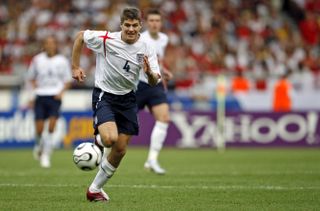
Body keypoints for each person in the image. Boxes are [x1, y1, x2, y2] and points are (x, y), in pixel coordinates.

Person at [71, 7, 161, 202]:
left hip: (128, 99)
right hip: (105, 96)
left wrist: (149, 74)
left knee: (120, 149)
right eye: (127, 25)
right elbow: (80, 37)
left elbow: (155, 81)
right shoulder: (106, 39)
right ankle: (99, 142)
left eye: (134, 25)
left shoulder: (147, 47)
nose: (130, 29)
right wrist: (76, 66)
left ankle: (94, 190)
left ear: (140, 26)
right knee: (110, 139)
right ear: (121, 25)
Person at [136, 8, 173, 175]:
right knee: (123, 125)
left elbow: (158, 60)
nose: (154, 24)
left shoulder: (164, 39)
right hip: (138, 85)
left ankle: (152, 159)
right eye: (151, 20)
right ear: (146, 23)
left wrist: (164, 71)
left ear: (161, 23)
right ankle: (103, 148)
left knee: (164, 118)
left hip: (156, 84)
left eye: (157, 21)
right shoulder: (140, 39)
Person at [27, 36, 72, 168]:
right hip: (40, 96)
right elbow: (31, 78)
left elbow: (67, 80)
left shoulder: (62, 61)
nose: (50, 45)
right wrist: (32, 93)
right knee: (39, 129)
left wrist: (61, 92)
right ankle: (38, 145)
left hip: (54, 96)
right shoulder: (37, 60)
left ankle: (46, 154)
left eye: (52, 43)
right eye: (47, 43)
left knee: (52, 126)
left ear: (55, 45)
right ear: (44, 45)